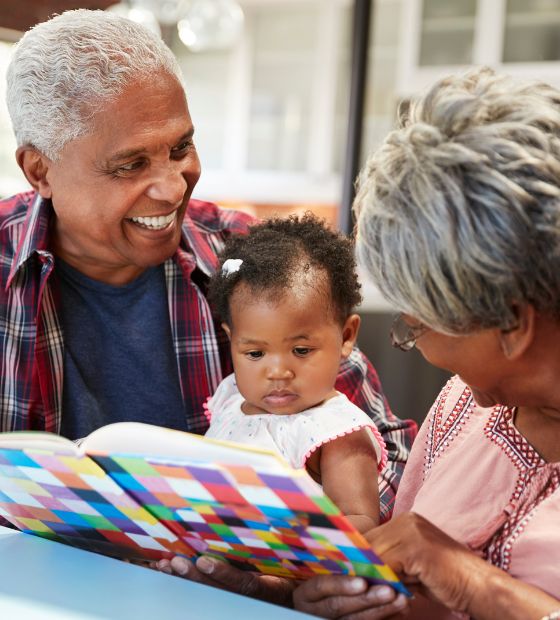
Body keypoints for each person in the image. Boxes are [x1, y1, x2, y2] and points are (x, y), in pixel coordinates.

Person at [1, 8, 415, 608]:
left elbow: (388, 448)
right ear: (39, 170)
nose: (173, 186)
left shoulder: (250, 263)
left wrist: (318, 571)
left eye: (181, 147)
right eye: (131, 165)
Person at [293, 67, 560, 619]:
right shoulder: (466, 407)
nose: (412, 336)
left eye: (417, 326)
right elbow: (405, 576)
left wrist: (474, 585)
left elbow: (446, 574)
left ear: (511, 323)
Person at [204, 213, 387, 531]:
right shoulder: (230, 399)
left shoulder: (335, 431)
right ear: (232, 342)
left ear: (346, 337)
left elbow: (361, 523)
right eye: (255, 353)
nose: (277, 371)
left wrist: (288, 541)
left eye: (301, 351)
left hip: (290, 572)